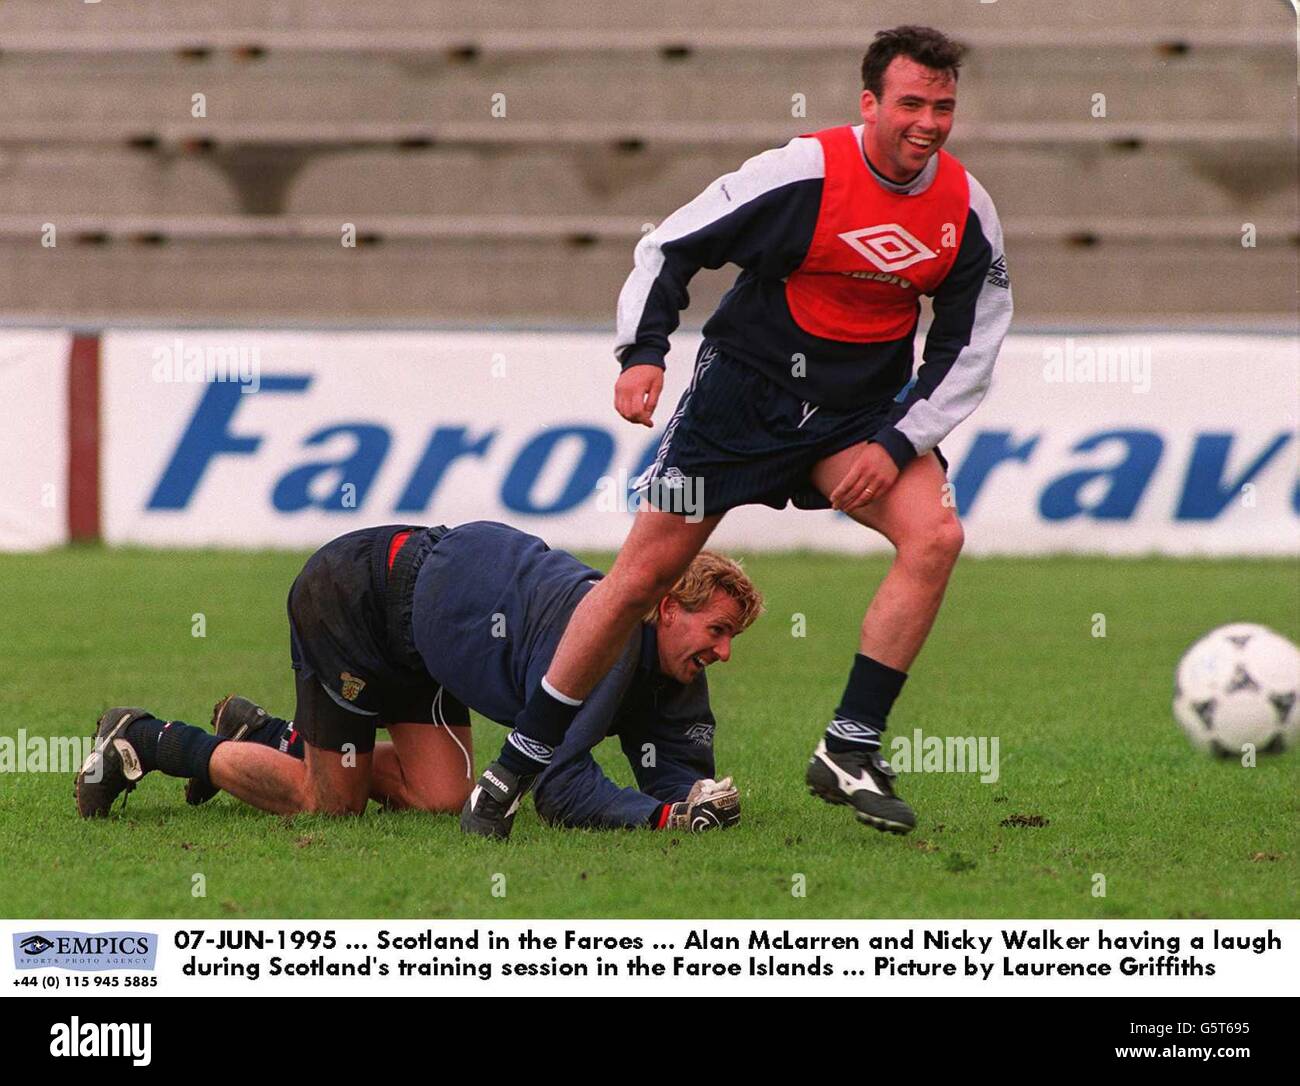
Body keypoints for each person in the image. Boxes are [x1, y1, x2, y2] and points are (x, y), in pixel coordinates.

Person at [464, 25, 1012, 838]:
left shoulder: (964, 207)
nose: (929, 123)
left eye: (944, 106)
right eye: (911, 104)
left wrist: (896, 443)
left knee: (935, 535)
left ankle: (848, 748)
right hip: (737, 405)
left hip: (856, 417)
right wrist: (643, 355)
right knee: (638, 582)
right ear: (869, 104)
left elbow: (974, 340)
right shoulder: (802, 172)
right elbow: (669, 246)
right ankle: (514, 770)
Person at [76, 521, 761, 835]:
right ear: (667, 607)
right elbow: (556, 783)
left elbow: (674, 764)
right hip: (355, 598)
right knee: (329, 804)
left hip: (428, 635)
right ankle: (148, 740)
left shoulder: (668, 658)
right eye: (718, 632)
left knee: (439, 797)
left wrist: (694, 796)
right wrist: (663, 819)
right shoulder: (605, 642)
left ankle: (269, 734)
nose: (725, 653)